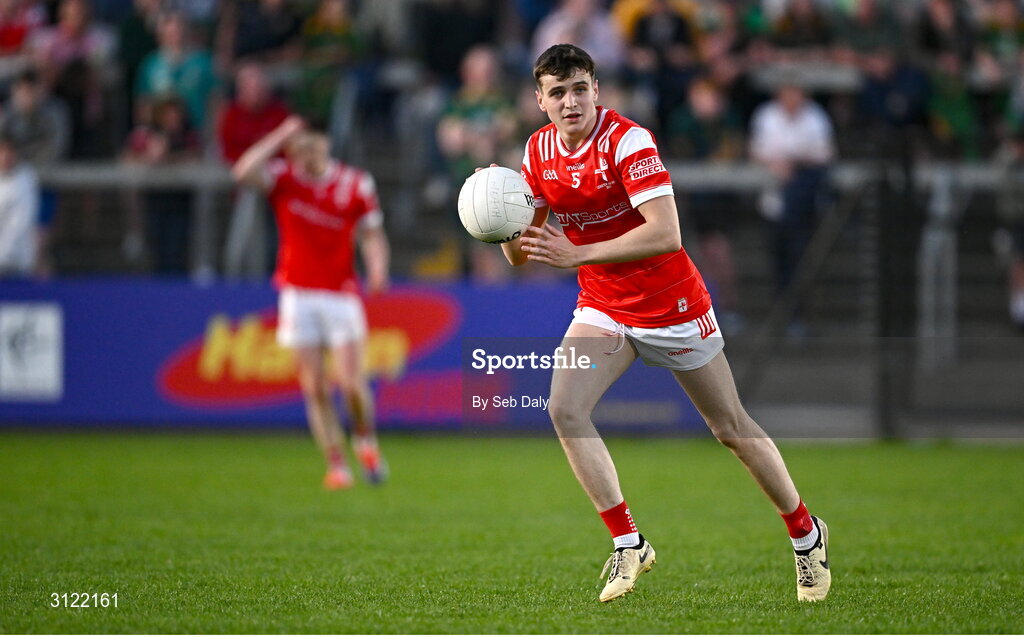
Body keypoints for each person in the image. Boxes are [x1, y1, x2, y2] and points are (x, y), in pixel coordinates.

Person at [501, 44, 830, 603]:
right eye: (558, 92)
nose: (571, 101)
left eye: (579, 88)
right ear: (540, 101)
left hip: (672, 304)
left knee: (729, 427)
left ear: (596, 89)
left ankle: (805, 533)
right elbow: (522, 254)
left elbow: (665, 233)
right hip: (605, 307)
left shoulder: (629, 142)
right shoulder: (536, 153)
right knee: (564, 407)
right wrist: (498, 217)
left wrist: (577, 254)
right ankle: (628, 543)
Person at [232, 115, 390, 490]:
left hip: (340, 294)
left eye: (308, 144)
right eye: (296, 147)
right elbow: (242, 172)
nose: (302, 154)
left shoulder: (354, 183)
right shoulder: (285, 179)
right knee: (315, 387)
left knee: (351, 384)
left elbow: (372, 234)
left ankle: (365, 440)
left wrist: (378, 268)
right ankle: (336, 464)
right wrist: (281, 133)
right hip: (297, 293)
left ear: (325, 143)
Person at [0, 135, 41, 277]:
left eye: (10, 151)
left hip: (16, 266)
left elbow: (19, 226)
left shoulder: (25, 180)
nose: (6, 156)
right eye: (2, 151)